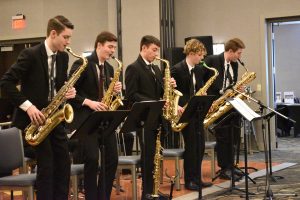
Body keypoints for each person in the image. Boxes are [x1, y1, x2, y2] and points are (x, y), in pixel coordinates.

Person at [0, 15, 75, 200]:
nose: (68, 41)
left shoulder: (63, 58)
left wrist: (66, 93)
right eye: (66, 37)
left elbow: (57, 86)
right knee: (47, 165)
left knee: (64, 162)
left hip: (53, 119)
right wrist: (29, 107)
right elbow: (6, 83)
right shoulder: (30, 55)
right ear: (53, 33)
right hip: (34, 121)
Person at [68, 31, 122, 200]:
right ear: (99, 45)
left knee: (112, 158)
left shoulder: (110, 67)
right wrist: (88, 102)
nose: (112, 51)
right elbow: (69, 93)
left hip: (104, 120)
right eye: (110, 47)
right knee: (91, 159)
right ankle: (91, 196)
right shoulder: (82, 63)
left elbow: (107, 95)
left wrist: (114, 92)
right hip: (86, 120)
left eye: (114, 47)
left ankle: (103, 196)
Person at [125, 35, 176, 199]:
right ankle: (146, 192)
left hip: (157, 118)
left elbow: (161, 93)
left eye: (157, 51)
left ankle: (153, 190)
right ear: (144, 48)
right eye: (154, 50)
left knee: (155, 156)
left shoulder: (156, 69)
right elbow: (131, 95)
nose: (156, 54)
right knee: (147, 157)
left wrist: (169, 87)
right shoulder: (133, 68)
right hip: (143, 118)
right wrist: (154, 102)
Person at [171, 39, 212, 190]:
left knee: (200, 146)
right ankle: (189, 180)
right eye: (200, 55)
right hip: (184, 113)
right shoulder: (176, 69)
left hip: (197, 112)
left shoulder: (199, 69)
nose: (202, 59)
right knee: (191, 146)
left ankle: (197, 178)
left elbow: (198, 88)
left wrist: (203, 94)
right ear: (191, 53)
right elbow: (171, 92)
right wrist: (179, 105)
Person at [203, 38, 245, 180]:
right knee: (223, 137)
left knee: (233, 136)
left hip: (229, 104)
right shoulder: (212, 60)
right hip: (216, 104)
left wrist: (237, 88)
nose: (240, 57)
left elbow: (231, 84)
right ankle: (224, 167)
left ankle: (231, 165)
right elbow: (202, 82)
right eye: (238, 53)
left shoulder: (234, 65)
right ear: (230, 51)